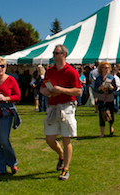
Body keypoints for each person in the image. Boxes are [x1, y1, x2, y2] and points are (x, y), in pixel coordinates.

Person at [40, 45, 82, 181]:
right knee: (49, 139)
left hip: (67, 107)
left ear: (63, 55)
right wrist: (44, 91)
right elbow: (42, 87)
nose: (53, 55)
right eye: (53, 52)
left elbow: (78, 91)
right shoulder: (49, 71)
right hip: (52, 106)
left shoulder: (71, 71)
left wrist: (61, 90)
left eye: (56, 53)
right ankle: (61, 154)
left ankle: (66, 169)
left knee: (66, 138)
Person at [94, 62, 117, 137]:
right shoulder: (98, 78)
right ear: (101, 69)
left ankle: (111, 126)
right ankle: (102, 133)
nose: (107, 69)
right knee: (102, 115)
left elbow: (115, 88)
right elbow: (95, 89)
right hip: (101, 98)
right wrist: (100, 88)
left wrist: (112, 87)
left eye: (108, 68)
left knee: (111, 115)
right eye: (105, 68)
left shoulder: (111, 77)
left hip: (110, 98)